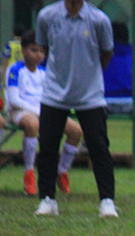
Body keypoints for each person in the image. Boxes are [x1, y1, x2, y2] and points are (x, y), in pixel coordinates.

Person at [34, 0, 117, 218]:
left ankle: (107, 201)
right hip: (53, 93)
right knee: (47, 146)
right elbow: (44, 47)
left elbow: (107, 52)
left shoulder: (99, 20)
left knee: (98, 147)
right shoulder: (47, 16)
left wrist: (89, 75)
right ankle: (47, 199)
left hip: (90, 95)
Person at [5, 29, 83, 196]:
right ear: (24, 50)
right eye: (34, 50)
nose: (39, 55)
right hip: (20, 111)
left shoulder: (44, 72)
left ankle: (61, 171)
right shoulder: (15, 70)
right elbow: (14, 99)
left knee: (76, 130)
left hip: (43, 112)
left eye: (42, 51)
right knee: (32, 124)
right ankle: (29, 173)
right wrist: (40, 112)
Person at [102, 21, 135, 152]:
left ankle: (90, 143)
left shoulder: (103, 52)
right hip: (134, 101)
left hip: (107, 101)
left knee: (91, 110)